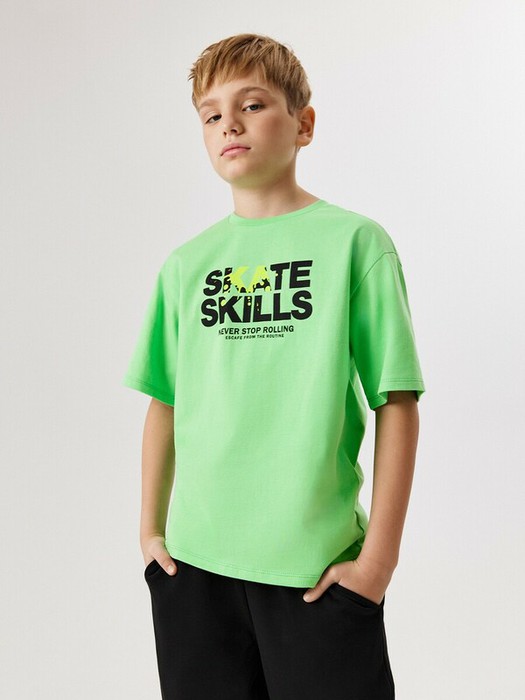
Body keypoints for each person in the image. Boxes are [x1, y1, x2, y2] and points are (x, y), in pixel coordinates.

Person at [122, 32, 425, 700]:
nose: (229, 123)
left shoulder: (355, 244)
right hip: (193, 571)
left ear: (303, 124)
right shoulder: (186, 266)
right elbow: (164, 401)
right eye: (211, 114)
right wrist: (150, 533)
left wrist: (377, 563)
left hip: (315, 573)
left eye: (252, 104)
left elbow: (396, 402)